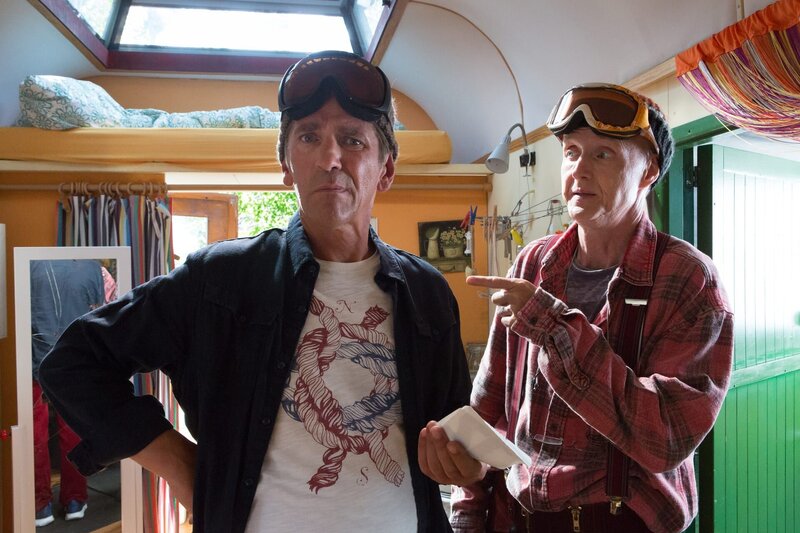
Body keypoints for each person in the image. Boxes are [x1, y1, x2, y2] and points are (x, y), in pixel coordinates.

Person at [39, 50, 471, 532]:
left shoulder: (428, 293)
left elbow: (456, 433)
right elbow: (73, 362)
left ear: (385, 169)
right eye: (309, 137)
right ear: (287, 165)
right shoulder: (219, 280)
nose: (330, 158)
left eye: (352, 140)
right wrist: (178, 463)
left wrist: (463, 464)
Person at [418, 83, 734, 533]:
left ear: (647, 171)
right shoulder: (532, 263)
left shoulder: (688, 278)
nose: (579, 170)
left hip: (622, 523)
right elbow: (488, 408)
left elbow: (665, 436)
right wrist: (469, 512)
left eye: (602, 154)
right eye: (571, 153)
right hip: (519, 518)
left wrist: (554, 326)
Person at [31, 259, 104, 526]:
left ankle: (40, 505)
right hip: (74, 360)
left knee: (34, 434)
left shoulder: (31, 264)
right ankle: (74, 499)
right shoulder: (92, 266)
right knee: (72, 430)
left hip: (35, 360)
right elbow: (100, 312)